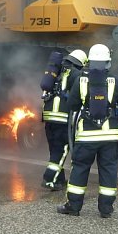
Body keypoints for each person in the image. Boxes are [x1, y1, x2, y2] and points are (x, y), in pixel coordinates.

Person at [57, 43, 118, 218]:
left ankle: (73, 207)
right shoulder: (116, 80)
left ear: (90, 61)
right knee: (109, 171)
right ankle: (106, 209)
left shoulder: (80, 80)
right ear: (108, 63)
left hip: (86, 137)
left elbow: (72, 105)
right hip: (110, 136)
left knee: (80, 169)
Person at [39, 48, 87, 190]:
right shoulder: (77, 74)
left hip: (49, 117)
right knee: (62, 150)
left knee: (55, 149)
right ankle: (49, 180)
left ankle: (59, 180)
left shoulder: (57, 70)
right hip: (63, 118)